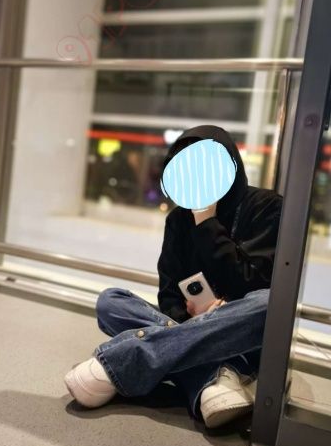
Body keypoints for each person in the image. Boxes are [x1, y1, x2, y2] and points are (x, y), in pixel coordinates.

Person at [64, 125, 282, 429]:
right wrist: (190, 318)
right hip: (197, 328)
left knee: (270, 304)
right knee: (111, 302)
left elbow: (252, 281)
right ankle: (216, 374)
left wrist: (206, 223)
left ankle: (129, 358)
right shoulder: (178, 220)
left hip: (242, 331)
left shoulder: (266, 206)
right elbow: (168, 294)